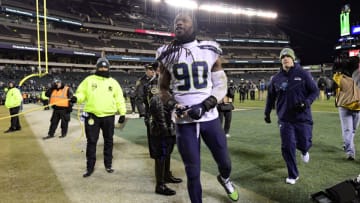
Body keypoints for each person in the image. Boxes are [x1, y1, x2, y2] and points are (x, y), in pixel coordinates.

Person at [156, 12, 239, 202]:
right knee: (192, 171)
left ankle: (224, 178)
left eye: (184, 20)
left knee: (225, 162)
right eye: (176, 21)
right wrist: (172, 104)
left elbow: (221, 85)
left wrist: (205, 105)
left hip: (209, 118)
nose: (178, 23)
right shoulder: (167, 54)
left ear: (194, 26)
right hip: (184, 122)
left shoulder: (209, 50)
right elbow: (162, 89)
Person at [264, 48, 319, 185]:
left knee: (305, 142)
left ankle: (305, 150)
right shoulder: (276, 78)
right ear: (280, 60)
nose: (285, 58)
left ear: (293, 59)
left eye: (288, 56)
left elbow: (315, 91)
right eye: (283, 57)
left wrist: (306, 103)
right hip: (285, 118)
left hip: (303, 117)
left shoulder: (303, 74)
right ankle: (293, 174)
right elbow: (270, 98)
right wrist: (267, 112)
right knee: (287, 146)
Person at [72, 57, 126, 177]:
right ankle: (89, 167)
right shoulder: (89, 80)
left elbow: (119, 99)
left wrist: (122, 113)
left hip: (109, 116)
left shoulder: (113, 82)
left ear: (108, 68)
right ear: (97, 67)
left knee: (109, 141)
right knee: (91, 141)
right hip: (92, 116)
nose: (103, 69)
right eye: (100, 67)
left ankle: (108, 164)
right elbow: (81, 93)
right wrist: (76, 98)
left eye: (105, 67)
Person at [136, 63, 182, 196]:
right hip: (158, 122)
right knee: (160, 152)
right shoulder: (152, 85)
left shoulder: (167, 83)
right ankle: (160, 184)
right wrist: (145, 116)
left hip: (168, 120)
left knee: (167, 150)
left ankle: (166, 175)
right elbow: (151, 102)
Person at [332, 56, 360, 160]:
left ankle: (347, 144)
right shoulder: (340, 76)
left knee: (352, 130)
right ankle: (350, 152)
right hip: (345, 107)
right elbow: (334, 80)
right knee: (348, 130)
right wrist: (336, 68)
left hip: (358, 108)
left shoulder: (358, 76)